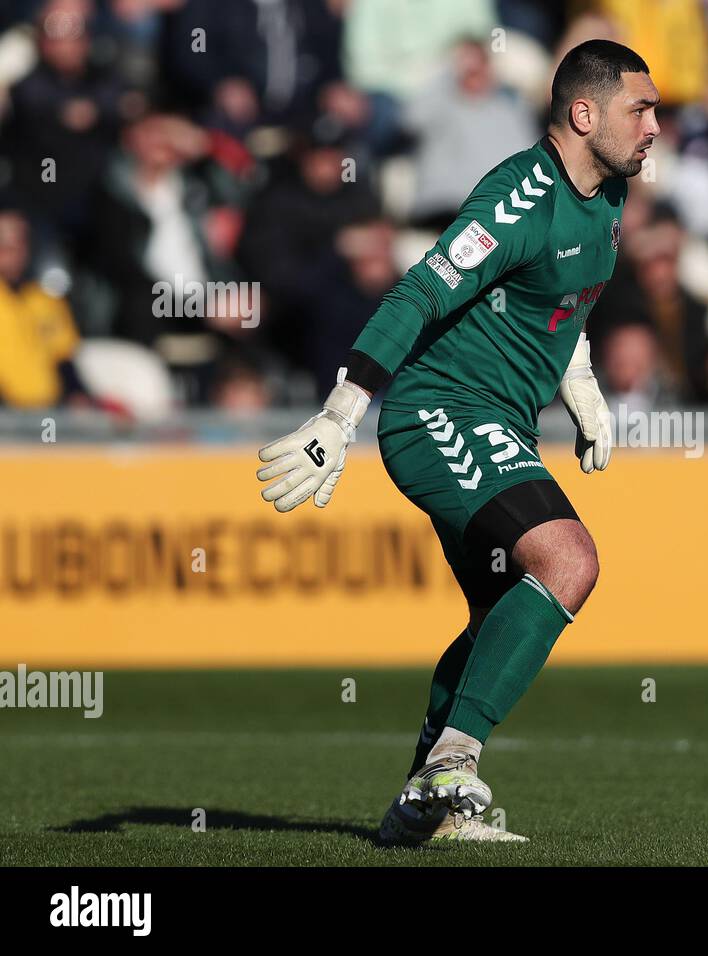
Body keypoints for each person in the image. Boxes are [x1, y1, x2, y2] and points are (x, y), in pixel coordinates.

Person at [254, 39, 660, 845]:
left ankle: (420, 811)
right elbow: (419, 291)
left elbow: (561, 302)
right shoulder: (518, 197)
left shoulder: (607, 196)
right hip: (438, 413)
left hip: (501, 422)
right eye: (639, 109)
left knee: (497, 619)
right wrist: (342, 413)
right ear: (584, 114)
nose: (654, 125)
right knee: (570, 561)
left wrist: (578, 383)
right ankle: (457, 758)